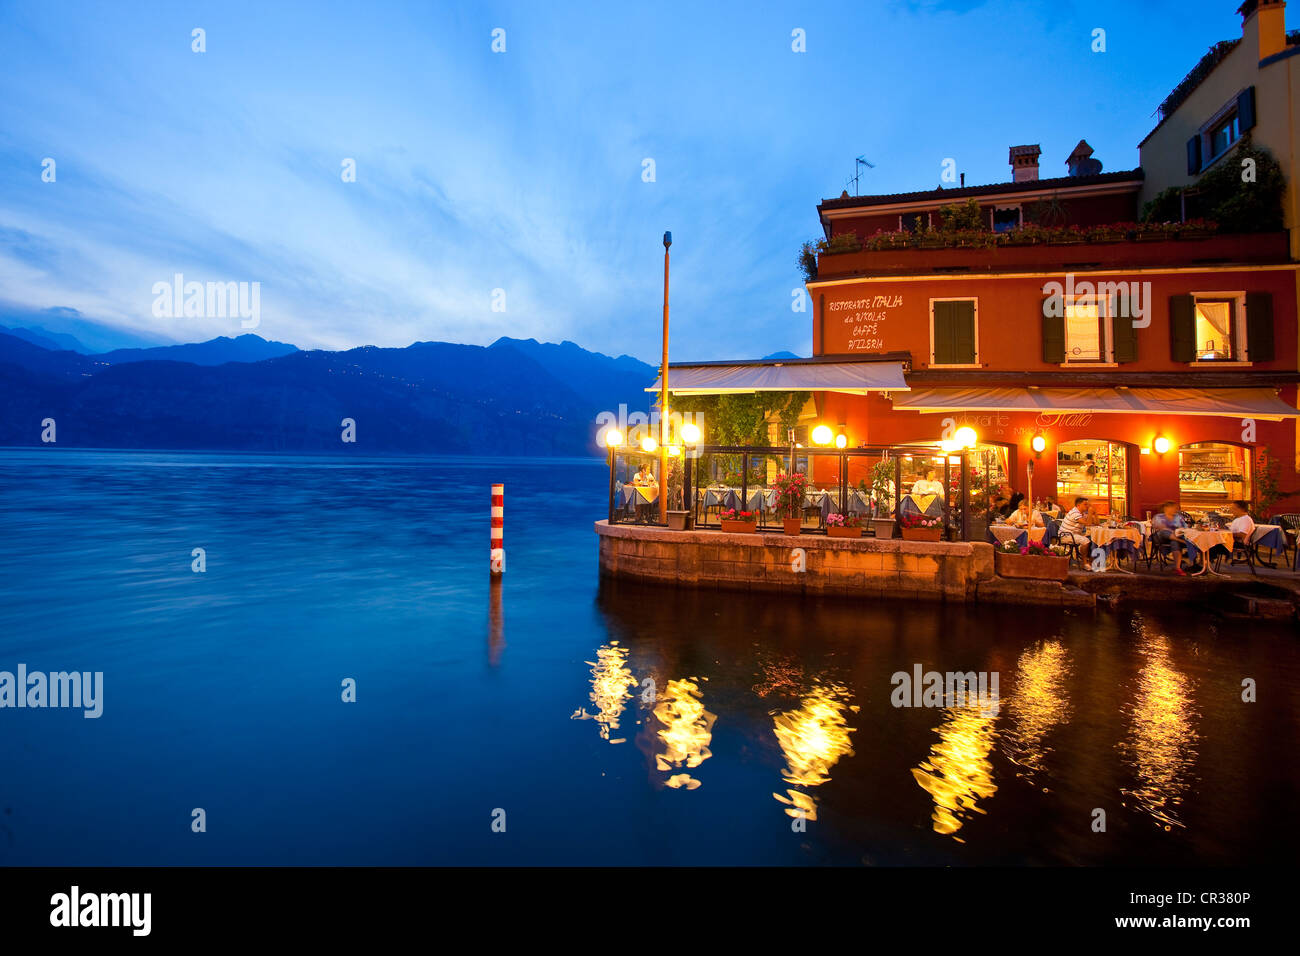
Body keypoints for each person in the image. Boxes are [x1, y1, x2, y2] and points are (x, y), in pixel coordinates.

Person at [1150, 500, 1189, 576]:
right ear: (1166, 508)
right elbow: (1158, 527)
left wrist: (1179, 531)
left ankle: (1177, 568)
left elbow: (1184, 528)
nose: (1175, 510)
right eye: (1173, 508)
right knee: (1164, 531)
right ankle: (1181, 541)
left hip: (1175, 537)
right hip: (1160, 537)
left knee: (1174, 542)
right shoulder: (1158, 517)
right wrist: (1171, 531)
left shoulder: (1178, 517)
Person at [1058, 496, 1096, 562]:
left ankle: (1090, 560)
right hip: (1067, 535)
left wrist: (1095, 513)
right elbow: (1088, 524)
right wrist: (1090, 513)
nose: (1087, 506)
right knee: (1086, 541)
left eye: (1088, 504)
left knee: (1094, 539)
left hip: (1075, 534)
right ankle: (1084, 562)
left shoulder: (1082, 513)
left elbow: (1096, 523)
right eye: (1085, 504)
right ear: (1078, 505)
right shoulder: (1075, 513)